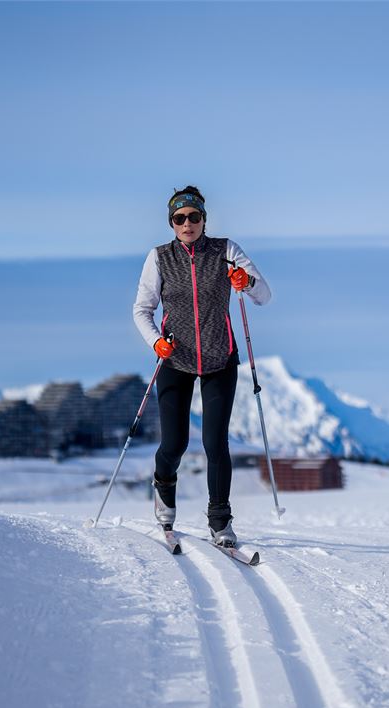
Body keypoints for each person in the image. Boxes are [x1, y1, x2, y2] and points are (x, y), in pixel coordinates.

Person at [133, 186, 271, 546]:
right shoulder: (159, 258)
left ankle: (220, 523)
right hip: (175, 359)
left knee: (215, 443)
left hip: (218, 358)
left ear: (204, 219)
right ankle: (164, 503)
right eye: (180, 218)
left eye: (194, 216)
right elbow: (142, 310)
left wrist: (247, 281)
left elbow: (264, 296)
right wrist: (156, 342)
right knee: (174, 444)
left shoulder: (227, 251)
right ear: (172, 224)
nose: (188, 223)